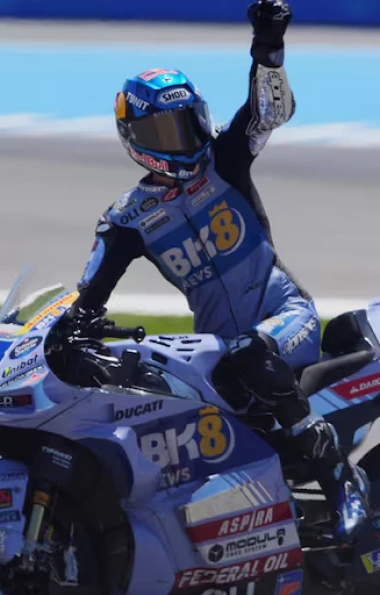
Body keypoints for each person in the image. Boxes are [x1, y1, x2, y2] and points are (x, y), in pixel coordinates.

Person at [72, 0, 367, 542]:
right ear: (136, 139)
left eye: (187, 122)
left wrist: (268, 48)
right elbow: (88, 295)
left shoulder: (224, 159)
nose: (182, 138)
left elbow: (269, 113)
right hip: (216, 346)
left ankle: (339, 478)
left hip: (285, 318)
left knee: (250, 353)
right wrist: (64, 333)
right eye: (165, 130)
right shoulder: (128, 218)